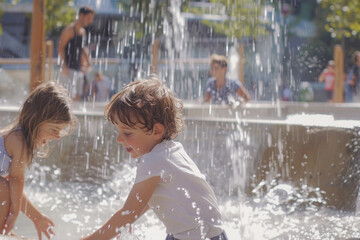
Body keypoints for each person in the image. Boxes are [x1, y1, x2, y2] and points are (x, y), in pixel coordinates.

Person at [81, 76, 228, 240]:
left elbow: (129, 213)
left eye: (127, 133)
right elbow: (143, 204)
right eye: (119, 131)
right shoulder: (171, 152)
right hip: (209, 234)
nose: (119, 139)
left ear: (157, 131)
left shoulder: (154, 161)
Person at [0, 82, 76, 239]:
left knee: (6, 187)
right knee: (4, 187)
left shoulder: (17, 137)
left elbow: (16, 189)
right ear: (37, 120)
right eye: (54, 130)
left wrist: (37, 217)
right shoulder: (19, 141)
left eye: (59, 132)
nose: (57, 136)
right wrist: (14, 213)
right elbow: (15, 180)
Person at [58, 6, 95, 101]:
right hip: (68, 68)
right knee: (67, 97)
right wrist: (64, 66)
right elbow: (61, 47)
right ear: (81, 15)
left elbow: (83, 48)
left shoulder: (82, 32)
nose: (90, 21)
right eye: (89, 18)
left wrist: (88, 62)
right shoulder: (69, 30)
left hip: (78, 69)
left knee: (78, 96)